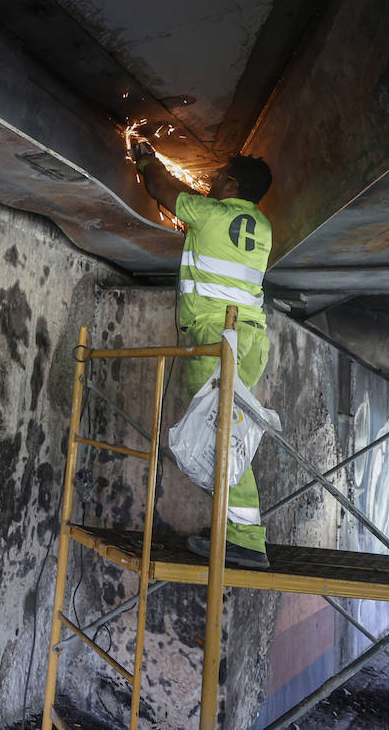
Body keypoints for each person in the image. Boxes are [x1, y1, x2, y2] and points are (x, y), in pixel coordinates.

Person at [132, 140, 274, 569]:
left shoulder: (209, 215)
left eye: (217, 176)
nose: (209, 182)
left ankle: (246, 538)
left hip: (218, 338)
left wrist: (144, 157)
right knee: (224, 430)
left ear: (230, 182)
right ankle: (234, 531)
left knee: (220, 435)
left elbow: (159, 187)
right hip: (250, 340)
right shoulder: (264, 227)